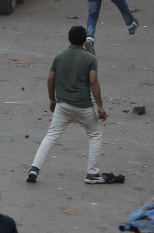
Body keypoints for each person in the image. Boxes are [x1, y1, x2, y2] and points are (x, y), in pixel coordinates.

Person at [26, 26, 123, 185]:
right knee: (95, 134)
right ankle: (92, 173)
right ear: (85, 40)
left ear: (69, 39)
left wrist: (52, 100)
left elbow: (51, 79)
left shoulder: (59, 56)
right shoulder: (90, 58)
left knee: (51, 135)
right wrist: (100, 106)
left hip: (63, 105)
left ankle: (34, 168)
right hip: (83, 106)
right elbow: (93, 82)